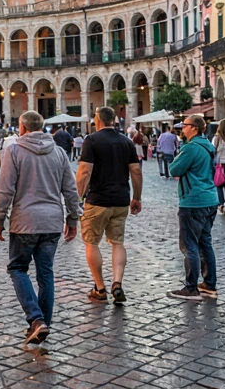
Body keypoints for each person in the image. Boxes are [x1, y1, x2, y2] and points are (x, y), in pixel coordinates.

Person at [0, 110, 80, 345]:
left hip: (24, 222)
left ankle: (35, 318)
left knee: (18, 268)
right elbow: (71, 190)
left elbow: (5, 189)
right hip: (52, 222)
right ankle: (42, 324)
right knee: (46, 275)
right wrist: (73, 219)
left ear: (21, 128)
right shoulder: (59, 153)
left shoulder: (14, 151)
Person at [76, 107, 140, 306]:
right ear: (114, 120)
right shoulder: (126, 142)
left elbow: (85, 171)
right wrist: (136, 197)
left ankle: (100, 288)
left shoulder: (92, 140)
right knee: (117, 242)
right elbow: (136, 171)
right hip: (121, 200)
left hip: (97, 200)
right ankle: (117, 283)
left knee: (91, 242)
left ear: (97, 120)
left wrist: (78, 198)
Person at [167, 115, 218, 302]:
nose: (182, 129)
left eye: (185, 126)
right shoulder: (208, 146)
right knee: (205, 243)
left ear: (195, 128)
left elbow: (174, 169)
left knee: (190, 245)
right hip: (210, 199)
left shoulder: (191, 148)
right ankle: (209, 284)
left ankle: (191, 288)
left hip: (193, 201)